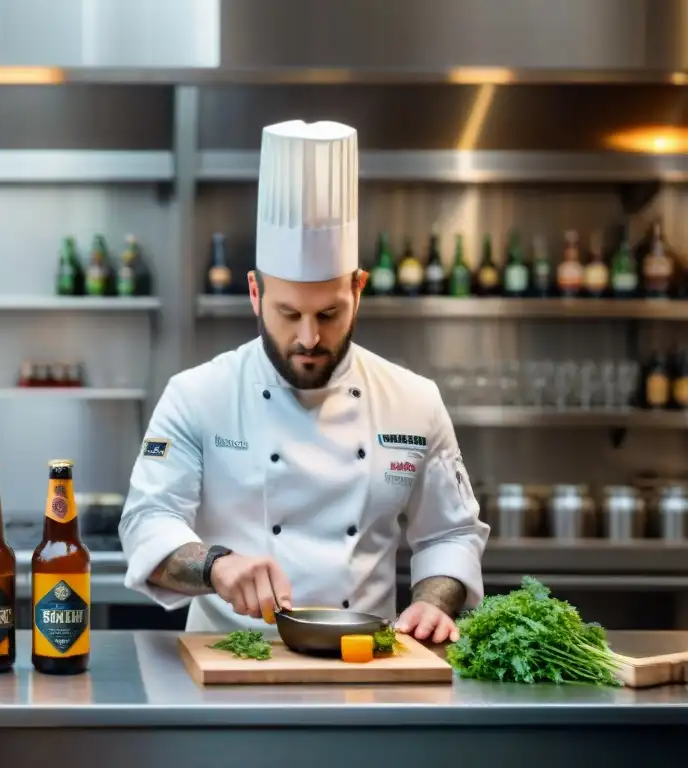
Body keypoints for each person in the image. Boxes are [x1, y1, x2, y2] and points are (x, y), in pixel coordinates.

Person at [119, 120, 490, 642]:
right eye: (288, 313)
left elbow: (450, 533)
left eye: (330, 313)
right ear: (254, 292)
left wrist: (432, 604)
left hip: (367, 666)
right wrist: (216, 566)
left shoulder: (414, 400)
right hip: (230, 662)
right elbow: (145, 523)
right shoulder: (197, 395)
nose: (310, 337)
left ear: (358, 289)